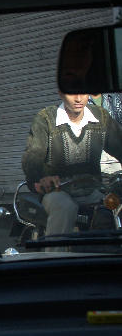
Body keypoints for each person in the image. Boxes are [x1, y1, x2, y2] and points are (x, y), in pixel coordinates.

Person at [22, 91, 122, 238]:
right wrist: (41, 177)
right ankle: (56, 257)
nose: (78, 99)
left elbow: (119, 145)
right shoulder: (45, 119)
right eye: (72, 93)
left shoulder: (101, 117)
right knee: (65, 207)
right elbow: (33, 156)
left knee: (111, 210)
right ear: (61, 94)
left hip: (92, 190)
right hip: (57, 191)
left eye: (83, 93)